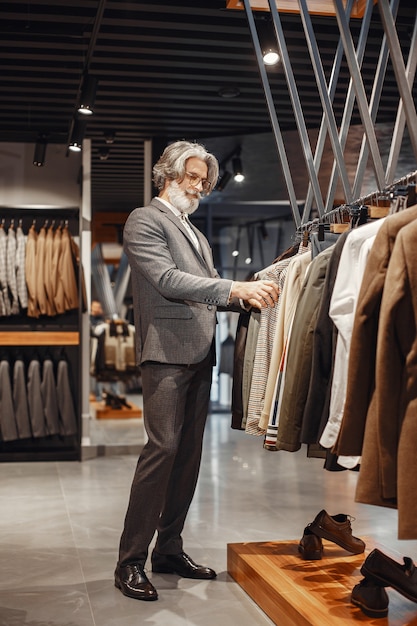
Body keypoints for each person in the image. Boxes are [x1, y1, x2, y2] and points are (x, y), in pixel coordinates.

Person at [115, 140, 279, 601]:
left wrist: (245, 298)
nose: (200, 185)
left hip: (198, 353)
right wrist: (234, 289)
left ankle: (168, 549)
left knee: (188, 455)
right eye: (192, 176)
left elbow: (201, 295)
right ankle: (129, 561)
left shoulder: (195, 233)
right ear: (167, 174)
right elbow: (167, 280)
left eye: (205, 180)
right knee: (162, 451)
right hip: (165, 352)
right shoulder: (145, 220)